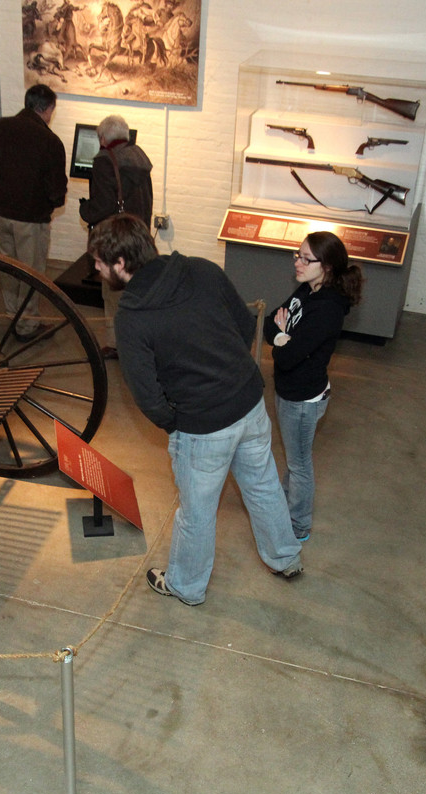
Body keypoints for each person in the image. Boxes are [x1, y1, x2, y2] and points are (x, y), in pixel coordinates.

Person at [88, 214, 304, 606]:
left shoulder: (132, 318)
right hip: (249, 403)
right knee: (264, 486)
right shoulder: (202, 269)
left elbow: (146, 394)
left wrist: (177, 422)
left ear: (120, 264)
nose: (96, 268)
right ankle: (285, 558)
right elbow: (243, 325)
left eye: (100, 261)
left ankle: (186, 586)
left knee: (197, 512)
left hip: (203, 429)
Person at [263, 231, 363, 544]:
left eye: (307, 259)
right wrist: (280, 335)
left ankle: (297, 526)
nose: (298, 262)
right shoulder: (306, 291)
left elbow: (289, 355)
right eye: (297, 255)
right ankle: (285, 504)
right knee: (295, 459)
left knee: (299, 464)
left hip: (303, 398)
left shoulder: (327, 308)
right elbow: (268, 323)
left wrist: (282, 336)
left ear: (328, 266)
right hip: (288, 391)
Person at [0, 84, 68, 341]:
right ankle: (26, 325)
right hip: (30, 219)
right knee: (31, 271)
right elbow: (56, 190)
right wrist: (51, 205)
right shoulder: (50, 141)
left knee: (7, 268)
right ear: (48, 109)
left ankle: (12, 316)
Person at [79, 114, 153, 360]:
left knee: (111, 294)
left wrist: (84, 209)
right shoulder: (139, 156)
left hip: (115, 237)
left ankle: (116, 343)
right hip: (137, 234)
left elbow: (102, 206)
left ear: (102, 138)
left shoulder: (104, 161)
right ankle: (140, 339)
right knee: (136, 290)